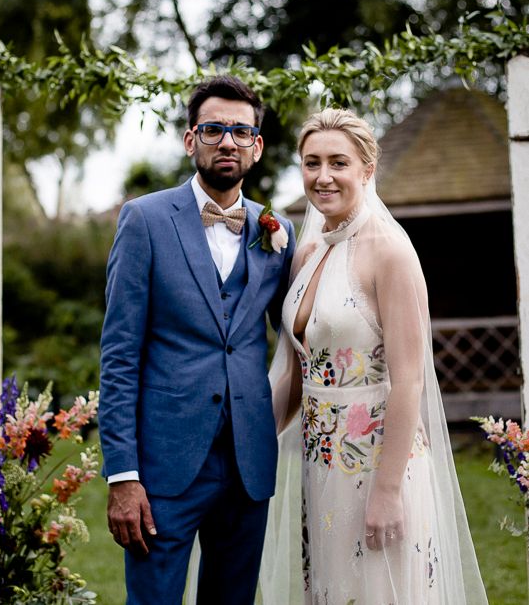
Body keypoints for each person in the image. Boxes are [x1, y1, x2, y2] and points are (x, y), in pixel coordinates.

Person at [262, 108, 488, 604]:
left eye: (338, 163)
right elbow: (301, 370)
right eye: (311, 162)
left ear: (368, 169)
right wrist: (248, 442)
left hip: (380, 465)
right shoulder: (309, 251)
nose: (323, 177)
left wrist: (386, 492)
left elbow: (409, 381)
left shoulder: (390, 253)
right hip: (321, 466)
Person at [98, 75, 296, 605]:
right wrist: (122, 474)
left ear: (255, 147)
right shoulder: (144, 220)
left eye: (239, 131)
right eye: (212, 129)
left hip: (249, 463)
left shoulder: (275, 229)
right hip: (164, 468)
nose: (225, 141)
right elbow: (119, 356)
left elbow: (301, 329)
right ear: (191, 140)